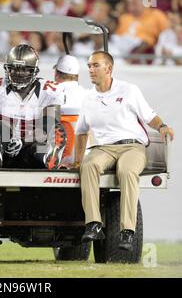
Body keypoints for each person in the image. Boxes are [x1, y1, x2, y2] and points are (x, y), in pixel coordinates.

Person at [74, 51, 174, 251]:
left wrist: (163, 126)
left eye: (95, 65)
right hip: (103, 148)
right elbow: (82, 132)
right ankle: (93, 223)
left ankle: (127, 231)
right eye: (89, 66)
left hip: (132, 146)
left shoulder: (129, 90)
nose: (91, 70)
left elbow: (149, 116)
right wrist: (77, 160)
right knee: (88, 165)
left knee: (127, 172)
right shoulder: (88, 97)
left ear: (108, 69)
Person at [0, 44, 66, 170]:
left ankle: (48, 158)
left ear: (34, 70)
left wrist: (22, 141)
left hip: (31, 148)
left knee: (47, 131)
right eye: (14, 68)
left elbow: (49, 127)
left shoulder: (49, 90)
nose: (19, 73)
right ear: (8, 69)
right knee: (1, 127)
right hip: (4, 146)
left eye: (25, 69)